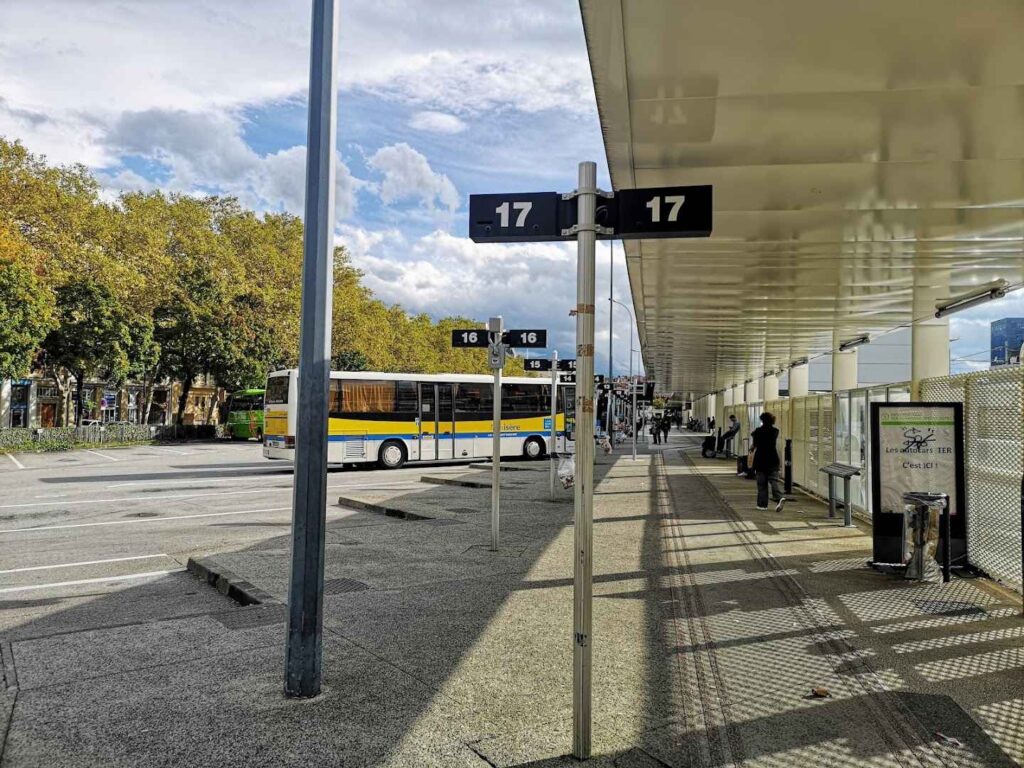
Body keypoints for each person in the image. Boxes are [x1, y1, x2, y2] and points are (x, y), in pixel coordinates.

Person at [750, 412, 786, 512]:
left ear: (762, 420)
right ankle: (779, 497)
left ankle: (762, 505)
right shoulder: (775, 431)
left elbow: (754, 442)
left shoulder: (757, 431)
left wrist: (752, 448)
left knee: (762, 484)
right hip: (773, 459)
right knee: (773, 480)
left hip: (760, 459)